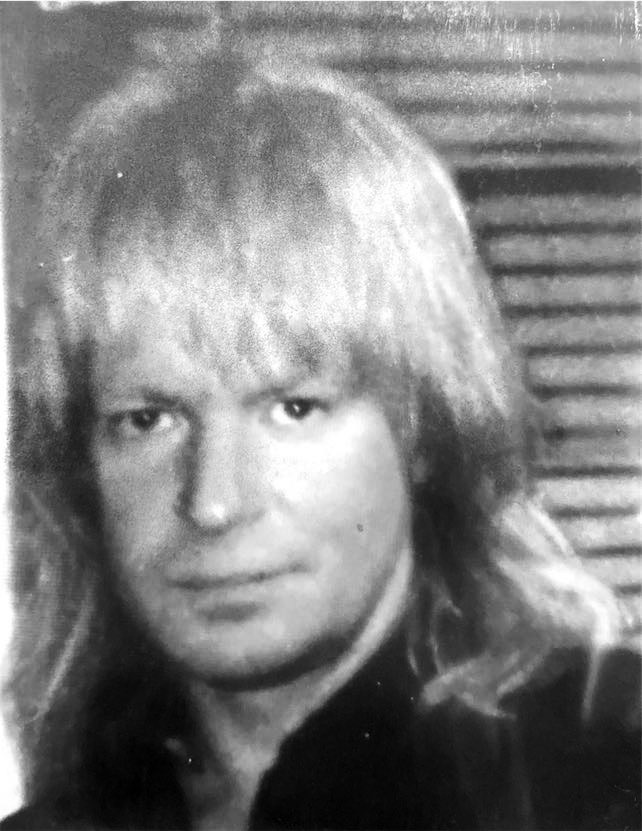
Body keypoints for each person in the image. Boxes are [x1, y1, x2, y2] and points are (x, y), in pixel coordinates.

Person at [2, 54, 640, 831]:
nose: (213, 501)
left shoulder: (601, 782)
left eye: (293, 408)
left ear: (426, 425)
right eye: (148, 419)